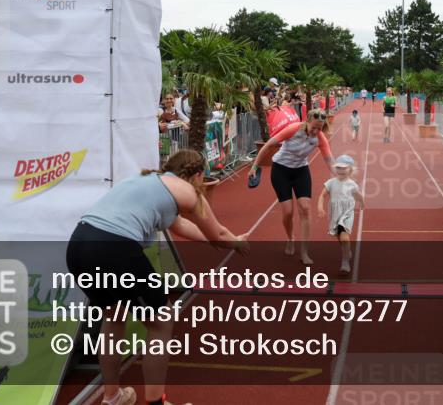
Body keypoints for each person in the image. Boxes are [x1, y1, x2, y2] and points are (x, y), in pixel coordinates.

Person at [67, 150, 248, 405]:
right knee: (161, 322)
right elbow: (217, 233)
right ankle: (155, 402)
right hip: (114, 248)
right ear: (197, 175)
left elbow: (181, 226)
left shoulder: (150, 182)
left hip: (79, 244)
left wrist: (219, 240)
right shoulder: (187, 190)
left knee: (114, 316)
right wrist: (238, 243)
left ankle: (112, 397)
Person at [249, 109, 335, 265]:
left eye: (319, 128)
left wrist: (340, 178)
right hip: (281, 170)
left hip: (301, 171)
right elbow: (268, 145)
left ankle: (304, 252)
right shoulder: (293, 129)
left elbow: (329, 160)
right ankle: (290, 238)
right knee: (288, 211)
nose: (316, 131)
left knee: (305, 208)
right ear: (307, 122)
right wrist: (255, 166)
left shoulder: (320, 138)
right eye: (314, 127)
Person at [317, 155, 364, 274]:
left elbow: (358, 195)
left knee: (344, 236)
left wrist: (362, 202)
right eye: (338, 168)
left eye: (344, 168)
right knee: (339, 236)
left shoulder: (352, 184)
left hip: (347, 212)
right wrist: (320, 207)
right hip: (335, 212)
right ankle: (346, 251)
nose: (341, 170)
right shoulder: (331, 183)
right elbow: (322, 195)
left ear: (351, 169)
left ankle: (345, 261)